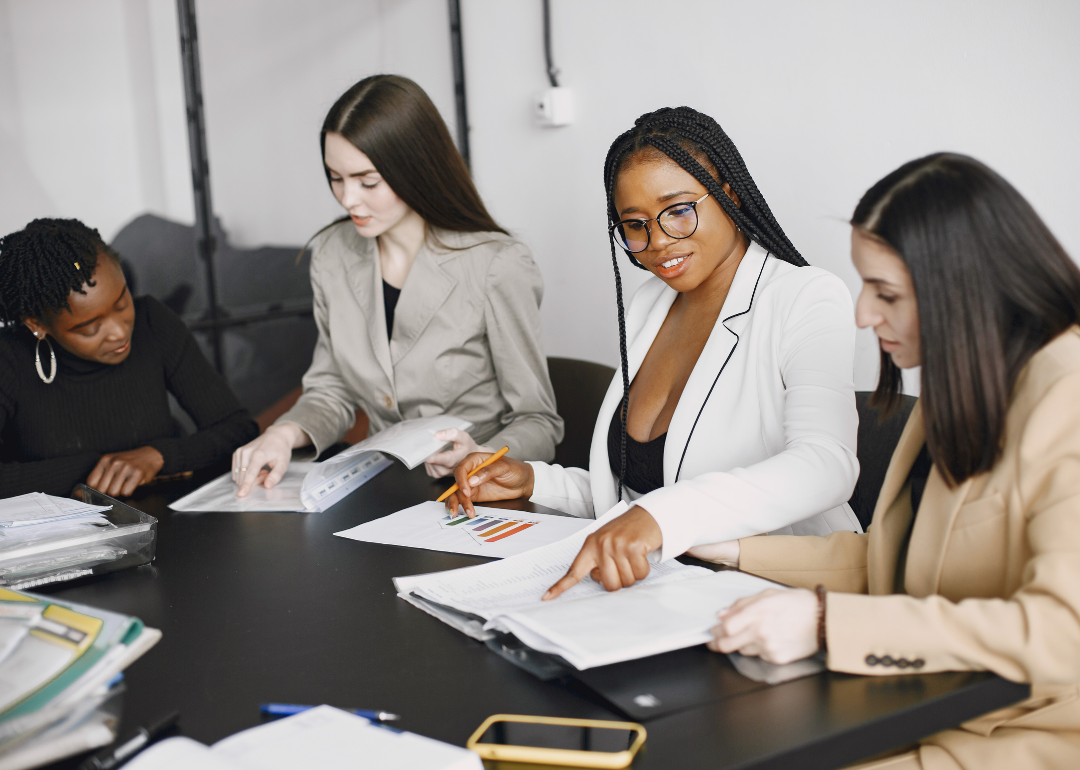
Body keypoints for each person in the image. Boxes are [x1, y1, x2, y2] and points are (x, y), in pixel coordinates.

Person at [702, 153, 1080, 769]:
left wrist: (828, 624)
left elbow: (1064, 633)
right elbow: (890, 560)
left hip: (1022, 743)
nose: (862, 315)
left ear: (965, 288)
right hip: (931, 712)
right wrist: (724, 546)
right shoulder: (967, 379)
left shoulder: (1067, 398)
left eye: (887, 293)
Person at [446, 107, 862, 598]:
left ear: (728, 194)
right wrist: (534, 482)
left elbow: (827, 465)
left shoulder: (803, 295)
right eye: (635, 224)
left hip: (779, 591)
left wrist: (662, 518)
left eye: (679, 209)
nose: (659, 242)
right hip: (666, 591)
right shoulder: (652, 302)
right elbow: (642, 491)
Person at [232, 75, 562, 496]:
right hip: (382, 486)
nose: (349, 199)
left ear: (416, 169)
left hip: (476, 494)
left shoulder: (495, 264)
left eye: (368, 182)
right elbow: (331, 388)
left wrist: (482, 454)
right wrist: (283, 434)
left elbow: (539, 422)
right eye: (336, 178)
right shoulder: (333, 253)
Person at [0, 218, 259, 498]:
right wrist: (95, 467)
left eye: (122, 302)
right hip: (56, 537)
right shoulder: (8, 359)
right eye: (91, 327)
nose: (119, 332)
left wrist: (158, 456)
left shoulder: (152, 322)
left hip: (170, 522)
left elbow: (239, 430)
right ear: (37, 324)